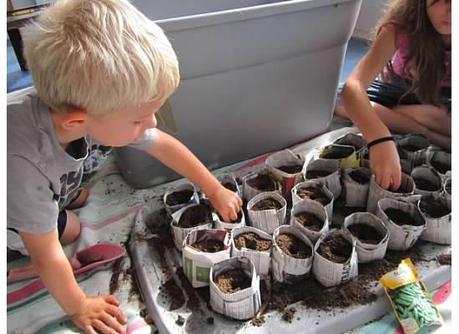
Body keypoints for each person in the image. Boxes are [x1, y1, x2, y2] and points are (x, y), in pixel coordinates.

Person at [7, 0, 242, 333]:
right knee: (71, 230)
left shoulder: (89, 108)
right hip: (10, 217)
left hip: (36, 182)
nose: (152, 122)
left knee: (72, 202)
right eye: (138, 119)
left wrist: (214, 188)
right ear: (78, 122)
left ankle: (62, 194)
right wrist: (80, 306)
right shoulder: (23, 166)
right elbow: (48, 258)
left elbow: (162, 145)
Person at [335, 0, 451, 190]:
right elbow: (353, 87)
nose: (451, 10)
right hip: (398, 89)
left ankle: (405, 117)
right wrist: (380, 138)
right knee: (335, 100)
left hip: (443, 97)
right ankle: (429, 131)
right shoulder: (401, 26)